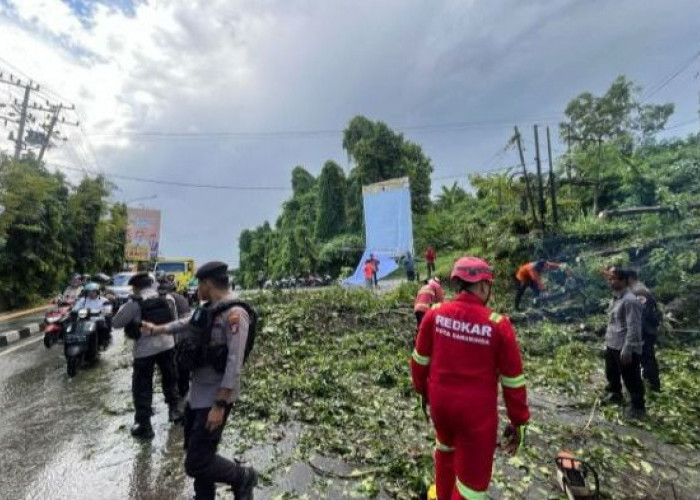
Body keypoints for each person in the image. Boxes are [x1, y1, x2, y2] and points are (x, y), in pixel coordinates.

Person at [411, 257, 530, 499]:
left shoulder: (435, 314)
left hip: (441, 406)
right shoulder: (498, 325)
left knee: (445, 452)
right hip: (476, 416)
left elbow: (419, 360)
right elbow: (513, 381)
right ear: (484, 285)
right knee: (472, 485)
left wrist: (422, 392)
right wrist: (519, 420)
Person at [142, 261, 258, 500]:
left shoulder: (236, 314)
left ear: (207, 284)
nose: (196, 289)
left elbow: (234, 364)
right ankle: (204, 496)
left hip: (215, 398)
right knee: (198, 452)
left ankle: (243, 476)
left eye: (198, 284)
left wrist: (220, 404)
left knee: (196, 462)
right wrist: (156, 329)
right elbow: (184, 323)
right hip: (196, 395)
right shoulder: (208, 308)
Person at [112, 272, 181, 439]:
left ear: (135, 287)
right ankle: (175, 411)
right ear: (151, 284)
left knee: (142, 386)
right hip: (167, 345)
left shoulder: (134, 304)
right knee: (170, 378)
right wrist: (174, 343)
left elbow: (115, 323)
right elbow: (175, 321)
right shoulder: (168, 299)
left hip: (144, 351)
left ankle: (144, 425)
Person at [602, 267, 646, 419]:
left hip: (624, 345)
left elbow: (634, 327)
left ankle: (637, 407)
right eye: (610, 279)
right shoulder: (615, 298)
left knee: (631, 377)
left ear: (624, 281)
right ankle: (614, 394)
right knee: (611, 372)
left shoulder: (630, 301)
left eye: (614, 279)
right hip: (612, 342)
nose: (611, 281)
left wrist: (628, 348)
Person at [158, 274, 193, 399]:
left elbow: (173, 321)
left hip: (179, 334)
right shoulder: (180, 297)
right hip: (188, 335)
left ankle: (179, 396)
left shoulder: (169, 299)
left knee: (175, 365)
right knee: (183, 364)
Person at [628, 270, 662, 392]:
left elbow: (642, 315)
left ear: (630, 278)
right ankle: (649, 384)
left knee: (647, 359)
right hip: (645, 331)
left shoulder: (639, 291)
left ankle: (653, 387)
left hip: (644, 332)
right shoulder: (638, 289)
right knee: (644, 359)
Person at [73, 282, 113, 347]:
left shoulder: (104, 300)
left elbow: (107, 310)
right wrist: (75, 311)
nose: (91, 293)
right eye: (89, 291)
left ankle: (102, 342)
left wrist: (101, 312)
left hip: (97, 320)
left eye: (93, 291)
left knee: (102, 327)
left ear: (97, 292)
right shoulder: (83, 300)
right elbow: (75, 308)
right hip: (84, 320)